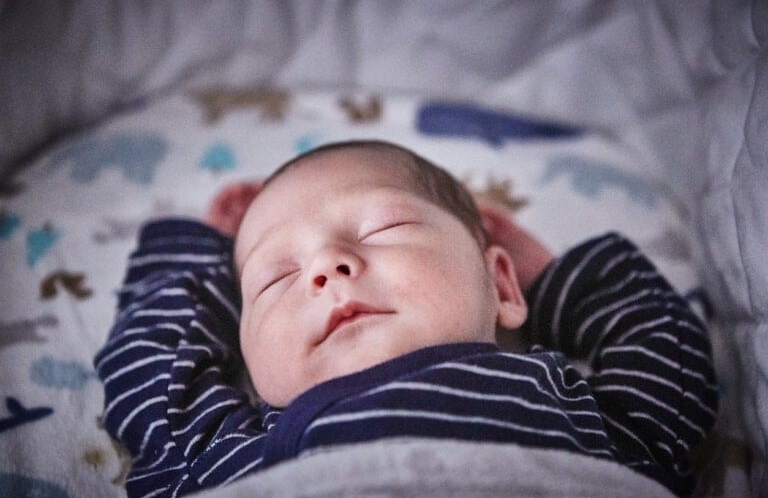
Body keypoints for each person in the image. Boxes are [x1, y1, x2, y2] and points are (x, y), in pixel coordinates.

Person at [94, 140, 718, 497]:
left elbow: (662, 349)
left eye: (384, 228)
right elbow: (151, 366)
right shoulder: (222, 450)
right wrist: (201, 250)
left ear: (498, 283)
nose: (326, 268)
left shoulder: (582, 416)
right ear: (245, 354)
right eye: (274, 278)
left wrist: (545, 273)